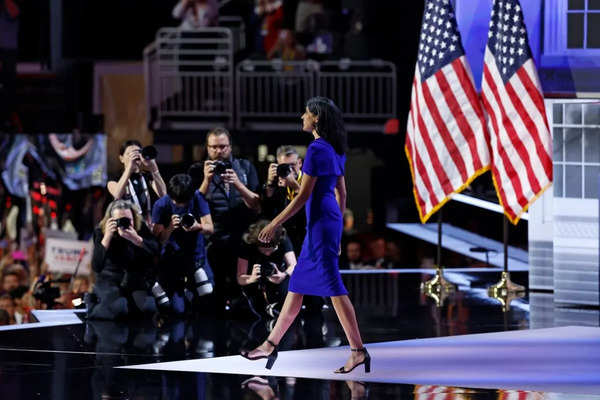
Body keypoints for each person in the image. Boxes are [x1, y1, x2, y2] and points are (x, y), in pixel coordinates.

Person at [241, 97, 370, 374]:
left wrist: (274, 223)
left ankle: (358, 350)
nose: (302, 116)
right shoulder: (335, 148)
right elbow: (342, 193)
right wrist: (337, 231)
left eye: (306, 113)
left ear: (316, 119)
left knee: (334, 287)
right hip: (328, 220)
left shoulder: (316, 148)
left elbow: (303, 196)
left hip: (321, 222)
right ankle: (269, 344)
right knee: (297, 284)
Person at [196, 127, 260, 312]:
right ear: (207, 148)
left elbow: (256, 204)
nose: (218, 151)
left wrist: (238, 184)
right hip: (212, 241)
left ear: (230, 147)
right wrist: (206, 181)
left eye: (223, 146)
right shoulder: (197, 170)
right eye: (214, 147)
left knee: (241, 298)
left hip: (241, 240)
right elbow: (194, 203)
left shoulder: (245, 168)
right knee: (213, 297)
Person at [152, 174, 215, 316]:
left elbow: (210, 228)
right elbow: (158, 241)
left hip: (195, 256)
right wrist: (169, 228)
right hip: (172, 259)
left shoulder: (198, 198)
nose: (179, 205)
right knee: (177, 309)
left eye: (183, 202)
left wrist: (197, 226)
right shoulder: (161, 205)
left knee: (207, 293)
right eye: (175, 202)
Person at [88, 200, 160, 320]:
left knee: (149, 307)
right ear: (111, 220)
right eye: (120, 220)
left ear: (134, 218)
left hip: (134, 280)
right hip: (110, 279)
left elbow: (156, 249)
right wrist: (107, 238)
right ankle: (92, 305)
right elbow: (96, 266)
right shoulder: (101, 231)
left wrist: (137, 240)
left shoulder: (139, 227)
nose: (124, 223)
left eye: (128, 220)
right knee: (119, 308)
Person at [236, 220, 296, 318]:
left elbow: (294, 265)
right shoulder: (247, 245)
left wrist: (283, 275)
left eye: (271, 249)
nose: (267, 253)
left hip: (279, 280)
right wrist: (251, 278)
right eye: (263, 250)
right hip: (254, 285)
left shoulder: (282, 239)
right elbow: (240, 277)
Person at [107, 140, 167, 226]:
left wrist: (153, 168)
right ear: (121, 158)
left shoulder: (148, 176)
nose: (134, 156)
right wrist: (129, 168)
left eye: (138, 152)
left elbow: (163, 194)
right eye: (129, 154)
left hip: (149, 225)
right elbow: (117, 194)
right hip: (128, 226)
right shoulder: (115, 178)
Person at [262, 145, 306, 253]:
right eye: (285, 166)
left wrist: (295, 186)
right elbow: (266, 211)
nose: (289, 170)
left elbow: (311, 206)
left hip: (305, 238)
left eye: (293, 165)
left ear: (300, 163)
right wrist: (270, 184)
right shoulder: (276, 183)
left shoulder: (308, 181)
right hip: (284, 242)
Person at [0, 0, 19, 130]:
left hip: (8, 50)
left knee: (8, 86)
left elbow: (14, 13)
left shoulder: (11, 6)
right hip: (3, 50)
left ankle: (9, 116)